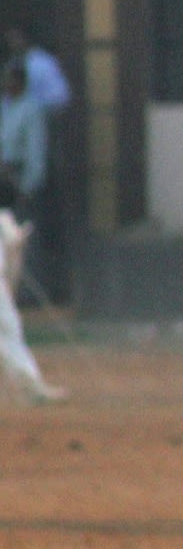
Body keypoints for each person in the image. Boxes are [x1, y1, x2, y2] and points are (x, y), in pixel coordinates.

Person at [0, 174, 62, 404]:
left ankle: (27, 386)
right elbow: (15, 249)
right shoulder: (4, 219)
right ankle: (29, 387)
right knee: (9, 333)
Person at [0, 63, 46, 217]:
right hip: (4, 178)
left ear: (19, 82)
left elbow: (35, 150)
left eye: (8, 79)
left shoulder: (31, 110)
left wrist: (28, 187)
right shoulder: (6, 107)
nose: (4, 84)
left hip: (20, 178)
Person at [3, 26, 71, 114]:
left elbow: (61, 97)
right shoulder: (12, 64)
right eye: (9, 39)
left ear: (25, 38)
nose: (12, 43)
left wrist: (35, 109)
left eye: (15, 38)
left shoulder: (44, 62)